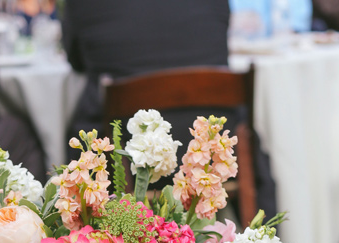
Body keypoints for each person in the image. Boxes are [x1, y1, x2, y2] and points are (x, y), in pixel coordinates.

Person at [63, 0, 276, 218]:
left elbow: (76, 60)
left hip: (123, 151)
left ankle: (86, 233)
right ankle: (260, 238)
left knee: (82, 132)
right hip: (209, 147)